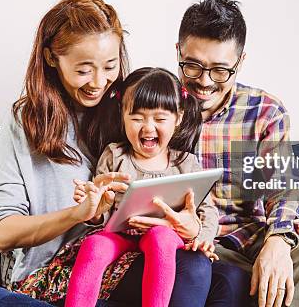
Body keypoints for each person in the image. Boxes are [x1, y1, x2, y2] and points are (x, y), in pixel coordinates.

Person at [0, 0, 212, 306]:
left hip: (126, 252)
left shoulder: (128, 110)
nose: (99, 81)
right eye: (83, 70)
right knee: (192, 271)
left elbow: (177, 183)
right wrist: (79, 213)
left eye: (110, 66)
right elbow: (2, 235)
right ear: (52, 58)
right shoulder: (25, 121)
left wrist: (191, 225)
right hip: (52, 269)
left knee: (220, 274)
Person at [131, 0, 299, 307]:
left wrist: (278, 241)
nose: (205, 83)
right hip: (186, 241)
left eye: (221, 71)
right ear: (178, 52)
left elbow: (284, 185)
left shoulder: (265, 111)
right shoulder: (156, 110)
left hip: (248, 237)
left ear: (241, 61)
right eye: (193, 66)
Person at [66, 67, 219, 307]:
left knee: (161, 237)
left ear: (178, 118)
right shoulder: (114, 155)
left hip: (166, 236)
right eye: (137, 118)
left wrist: (202, 237)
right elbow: (103, 213)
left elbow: (207, 210)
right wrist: (95, 207)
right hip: (120, 234)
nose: (148, 128)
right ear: (123, 116)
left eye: (159, 119)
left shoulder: (186, 163)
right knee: (94, 244)